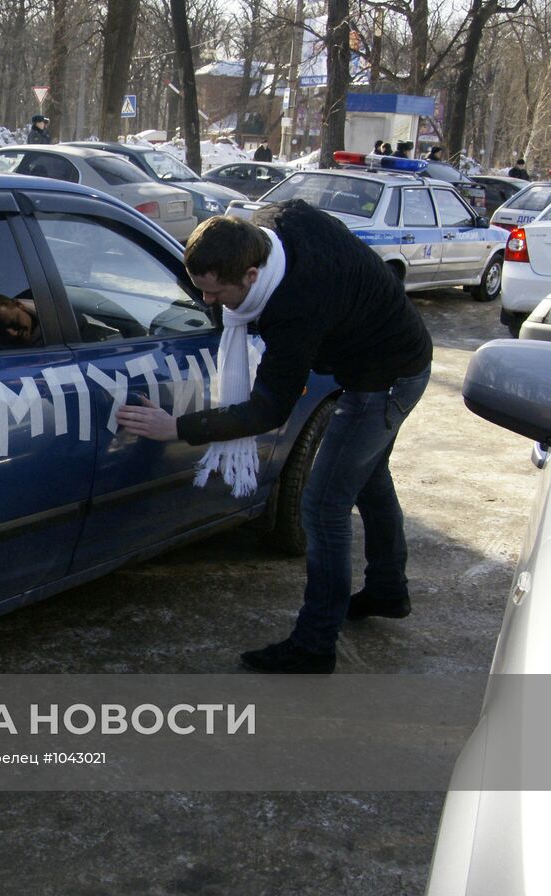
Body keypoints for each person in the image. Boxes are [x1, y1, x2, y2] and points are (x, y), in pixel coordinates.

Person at [115, 204, 432, 674]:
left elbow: (269, 408)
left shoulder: (295, 306)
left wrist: (177, 428)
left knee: (323, 507)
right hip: (391, 354)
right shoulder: (285, 219)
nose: (208, 304)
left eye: (215, 293)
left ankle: (315, 644)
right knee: (368, 479)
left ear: (250, 273)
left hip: (384, 379)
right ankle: (387, 589)